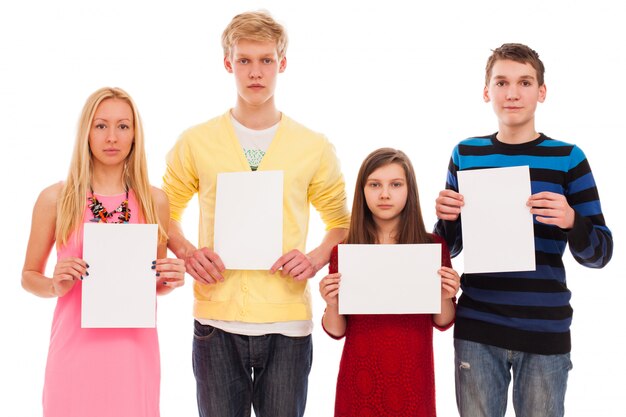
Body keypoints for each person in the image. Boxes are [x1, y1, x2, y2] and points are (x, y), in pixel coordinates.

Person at [161, 10, 350, 417]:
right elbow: (163, 210)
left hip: (287, 324)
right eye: (244, 60)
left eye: (266, 60)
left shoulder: (313, 146)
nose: (255, 72)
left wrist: (315, 259)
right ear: (228, 63)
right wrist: (188, 252)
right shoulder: (195, 142)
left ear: (282, 64)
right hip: (216, 319)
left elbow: (342, 222)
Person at [434, 43, 613, 417]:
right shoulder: (466, 154)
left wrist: (571, 220)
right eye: (501, 82)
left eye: (524, 82)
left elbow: (600, 253)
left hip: (544, 330)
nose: (512, 93)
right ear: (487, 92)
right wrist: (447, 217)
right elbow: (447, 249)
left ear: (541, 92)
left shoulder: (569, 158)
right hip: (478, 328)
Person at [21, 87, 185, 417]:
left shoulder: (155, 201)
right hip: (74, 351)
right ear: (86, 132)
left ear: (135, 134)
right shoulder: (56, 198)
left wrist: (169, 279)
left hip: (134, 354)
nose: (112, 137)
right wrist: (54, 284)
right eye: (101, 126)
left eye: (123, 126)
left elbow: (152, 281)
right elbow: (28, 277)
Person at [319, 148, 460, 417]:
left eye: (395, 185)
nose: (385, 194)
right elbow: (337, 331)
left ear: (409, 191)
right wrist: (331, 302)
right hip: (359, 380)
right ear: (363, 191)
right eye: (375, 185)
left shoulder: (431, 247)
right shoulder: (346, 250)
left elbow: (442, 321)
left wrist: (446, 295)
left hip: (413, 380)